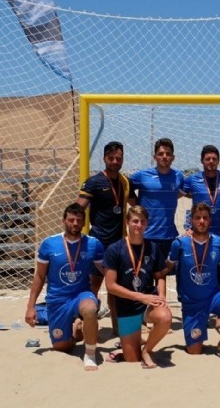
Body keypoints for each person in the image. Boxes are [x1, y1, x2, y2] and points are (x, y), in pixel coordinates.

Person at [25, 203, 104, 371]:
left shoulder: (94, 244)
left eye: (79, 220)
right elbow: (39, 276)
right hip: (57, 299)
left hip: (81, 295)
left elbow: (104, 271)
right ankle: (76, 327)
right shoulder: (49, 244)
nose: (75, 223)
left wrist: (97, 293)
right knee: (62, 347)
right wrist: (30, 307)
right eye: (71, 219)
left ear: (84, 223)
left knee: (90, 309)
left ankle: (90, 355)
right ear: (63, 221)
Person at [167, 202, 220, 360]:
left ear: (210, 221)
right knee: (195, 351)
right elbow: (166, 268)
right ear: (191, 220)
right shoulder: (180, 244)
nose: (201, 221)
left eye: (205, 218)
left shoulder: (218, 243)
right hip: (192, 303)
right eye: (198, 218)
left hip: (213, 297)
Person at [77, 141, 137, 336]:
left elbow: (136, 206)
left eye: (118, 158)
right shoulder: (93, 182)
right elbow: (79, 209)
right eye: (111, 158)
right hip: (98, 243)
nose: (115, 161)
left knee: (116, 288)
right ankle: (86, 326)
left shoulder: (126, 182)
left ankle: (117, 328)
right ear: (104, 158)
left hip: (118, 244)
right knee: (93, 286)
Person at [103, 205, 172, 368]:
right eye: (135, 221)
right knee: (131, 360)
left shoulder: (153, 247)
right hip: (126, 307)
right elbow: (110, 286)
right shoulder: (114, 249)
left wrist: (161, 297)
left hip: (148, 305)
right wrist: (141, 297)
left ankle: (147, 350)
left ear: (147, 224)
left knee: (165, 317)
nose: (138, 225)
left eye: (142, 221)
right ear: (127, 222)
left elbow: (160, 276)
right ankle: (128, 348)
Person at [181, 145, 220, 332]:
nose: (211, 162)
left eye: (214, 158)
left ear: (218, 160)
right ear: (202, 161)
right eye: (208, 159)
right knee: (200, 273)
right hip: (198, 235)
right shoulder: (193, 180)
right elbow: (183, 192)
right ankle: (199, 312)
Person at [129, 138, 185, 267]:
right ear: (155, 157)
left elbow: (181, 193)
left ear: (173, 157)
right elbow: (125, 189)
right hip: (146, 235)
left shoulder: (178, 176)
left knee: (164, 275)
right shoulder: (142, 176)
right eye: (160, 154)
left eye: (168, 154)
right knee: (143, 277)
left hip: (169, 236)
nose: (164, 157)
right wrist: (137, 206)